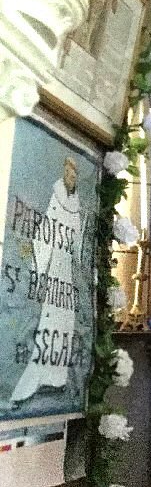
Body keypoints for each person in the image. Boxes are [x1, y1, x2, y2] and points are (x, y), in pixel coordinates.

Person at [11, 156, 83, 404]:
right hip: (54, 268)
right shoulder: (57, 198)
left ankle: (56, 378)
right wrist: (39, 269)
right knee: (49, 320)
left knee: (65, 322)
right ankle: (37, 377)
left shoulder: (75, 202)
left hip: (67, 271)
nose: (71, 179)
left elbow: (76, 238)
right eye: (68, 174)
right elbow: (46, 234)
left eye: (74, 176)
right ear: (64, 175)